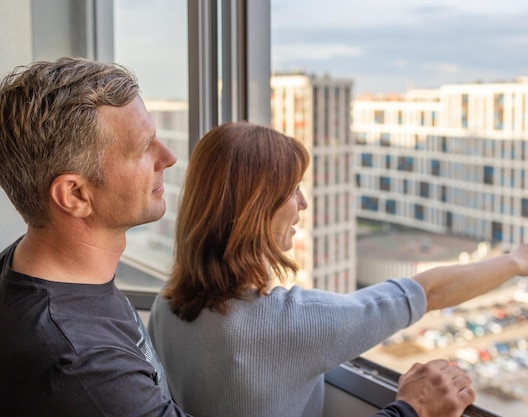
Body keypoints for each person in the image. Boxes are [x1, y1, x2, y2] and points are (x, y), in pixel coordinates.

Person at [0, 57, 474, 417]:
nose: (167, 156)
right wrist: (409, 411)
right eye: (143, 148)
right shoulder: (85, 367)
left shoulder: (27, 274)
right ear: (75, 194)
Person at [148, 121, 528, 417]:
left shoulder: (167, 307)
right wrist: (514, 262)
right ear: (258, 209)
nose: (303, 204)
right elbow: (427, 291)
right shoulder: (291, 324)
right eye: (293, 190)